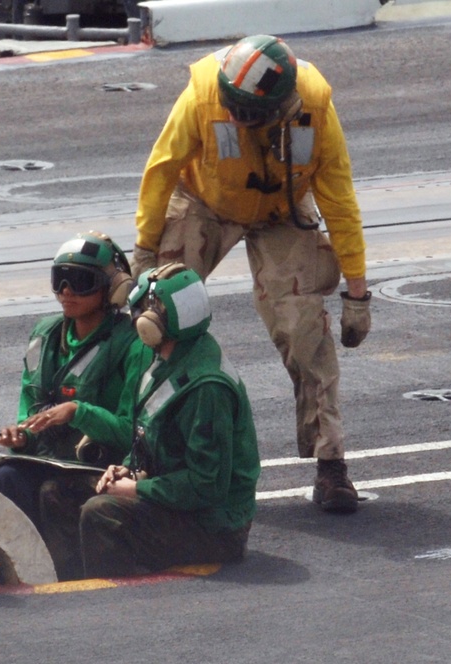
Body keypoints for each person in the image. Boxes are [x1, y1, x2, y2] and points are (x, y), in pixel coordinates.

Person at [128, 34, 371, 513]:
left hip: (282, 210)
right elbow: (162, 168)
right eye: (232, 108)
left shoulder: (315, 108)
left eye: (247, 113)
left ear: (283, 107)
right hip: (204, 202)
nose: (236, 118)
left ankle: (331, 464)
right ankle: (136, 448)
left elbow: (340, 200)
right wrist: (144, 254)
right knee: (152, 319)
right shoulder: (203, 94)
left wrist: (357, 294)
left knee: (305, 331)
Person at [42, 263, 260, 578]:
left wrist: (138, 489)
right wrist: (128, 468)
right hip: (172, 498)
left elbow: (207, 486)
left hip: (215, 527)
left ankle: (109, 601)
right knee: (57, 493)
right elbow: (147, 432)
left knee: (100, 514)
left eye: (144, 308)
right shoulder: (160, 357)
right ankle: (73, 586)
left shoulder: (207, 387)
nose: (137, 317)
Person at [0, 230, 148, 577]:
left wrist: (79, 413)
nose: (66, 291)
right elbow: (29, 410)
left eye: (80, 281)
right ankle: (21, 568)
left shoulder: (130, 343)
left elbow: (131, 431)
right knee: (3, 477)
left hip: (104, 466)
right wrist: (22, 437)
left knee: (51, 491)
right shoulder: (44, 337)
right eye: (59, 280)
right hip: (49, 459)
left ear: (113, 288)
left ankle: (66, 574)